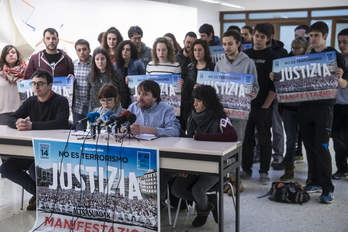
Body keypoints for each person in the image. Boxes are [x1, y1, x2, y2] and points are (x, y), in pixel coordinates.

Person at [0, 69, 70, 210]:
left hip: (52, 149)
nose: (36, 87)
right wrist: (19, 123)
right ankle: (40, 194)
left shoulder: (60, 101)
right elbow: (12, 118)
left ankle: (44, 196)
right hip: (32, 148)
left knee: (34, 170)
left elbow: (62, 122)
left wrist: (32, 125)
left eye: (40, 84)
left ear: (50, 85)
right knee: (6, 168)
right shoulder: (31, 101)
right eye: (33, 84)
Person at [171, 85, 238, 228]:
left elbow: (233, 135)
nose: (195, 104)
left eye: (199, 100)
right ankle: (207, 203)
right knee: (176, 189)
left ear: (208, 101)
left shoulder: (220, 117)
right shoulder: (191, 118)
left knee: (198, 190)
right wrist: (182, 167)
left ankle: (202, 211)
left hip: (215, 165)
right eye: (194, 100)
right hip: (194, 164)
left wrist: (203, 137)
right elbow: (189, 143)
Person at [299, 21, 348, 204]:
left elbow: (344, 84)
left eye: (316, 35)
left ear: (325, 36)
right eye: (310, 35)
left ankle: (328, 188)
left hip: (324, 107)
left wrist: (340, 77)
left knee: (322, 148)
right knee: (310, 148)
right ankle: (315, 181)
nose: (312, 39)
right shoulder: (308, 54)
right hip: (305, 106)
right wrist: (277, 77)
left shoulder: (334, 54)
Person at [125, 80, 181, 211]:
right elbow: (120, 126)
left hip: (163, 157)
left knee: (157, 182)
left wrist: (148, 130)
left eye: (145, 94)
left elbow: (175, 131)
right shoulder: (132, 108)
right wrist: (125, 129)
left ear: (155, 98)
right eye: (138, 93)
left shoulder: (166, 109)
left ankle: (155, 208)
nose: (140, 97)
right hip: (138, 156)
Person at [215, 30, 259, 194]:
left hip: (239, 113)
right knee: (224, 146)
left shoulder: (248, 63)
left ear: (238, 43)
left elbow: (255, 87)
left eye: (230, 44)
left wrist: (252, 94)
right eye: (224, 44)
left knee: (236, 145)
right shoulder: (219, 64)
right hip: (222, 113)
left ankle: (236, 180)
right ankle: (226, 178)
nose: (227, 47)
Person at [241, 23, 278, 185]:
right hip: (246, 106)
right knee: (246, 139)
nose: (258, 39)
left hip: (264, 106)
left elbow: (275, 85)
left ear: (268, 39)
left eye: (262, 37)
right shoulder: (245, 55)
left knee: (264, 140)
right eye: (256, 36)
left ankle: (264, 171)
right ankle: (246, 169)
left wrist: (266, 106)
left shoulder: (272, 56)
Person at [270, 36, 310, 181]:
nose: (294, 51)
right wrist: (274, 76)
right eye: (293, 48)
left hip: (305, 107)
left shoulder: (310, 62)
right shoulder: (285, 62)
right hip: (288, 106)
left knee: (308, 139)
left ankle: (312, 173)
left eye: (297, 48)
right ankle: (289, 169)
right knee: (291, 139)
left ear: (304, 49)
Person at [0, 45, 27, 166]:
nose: (11, 54)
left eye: (13, 52)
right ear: (4, 56)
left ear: (17, 55)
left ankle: (18, 165)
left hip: (21, 110)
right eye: (8, 53)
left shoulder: (26, 72)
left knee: (20, 140)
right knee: (5, 141)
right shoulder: (0, 72)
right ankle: (6, 166)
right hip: (3, 110)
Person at [331, 28, 348, 180]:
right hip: (337, 105)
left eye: (345, 42)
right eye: (339, 42)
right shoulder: (335, 60)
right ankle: (341, 169)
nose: (341, 45)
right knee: (337, 140)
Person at [87, 47, 121, 112]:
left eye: (102, 59)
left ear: (107, 59)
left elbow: (122, 94)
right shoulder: (90, 75)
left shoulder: (116, 75)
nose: (100, 62)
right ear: (94, 61)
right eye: (97, 59)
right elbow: (88, 96)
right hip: (95, 112)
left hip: (112, 112)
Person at [115, 40, 146, 109]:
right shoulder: (115, 65)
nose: (125, 51)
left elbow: (144, 79)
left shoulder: (138, 64)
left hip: (134, 95)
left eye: (128, 50)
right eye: (123, 49)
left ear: (132, 52)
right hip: (120, 96)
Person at [72, 39, 92, 130]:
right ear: (76, 51)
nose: (82, 52)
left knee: (95, 133)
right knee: (79, 134)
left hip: (92, 105)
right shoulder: (73, 64)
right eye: (79, 50)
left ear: (89, 50)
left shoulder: (96, 63)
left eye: (84, 49)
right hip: (77, 106)